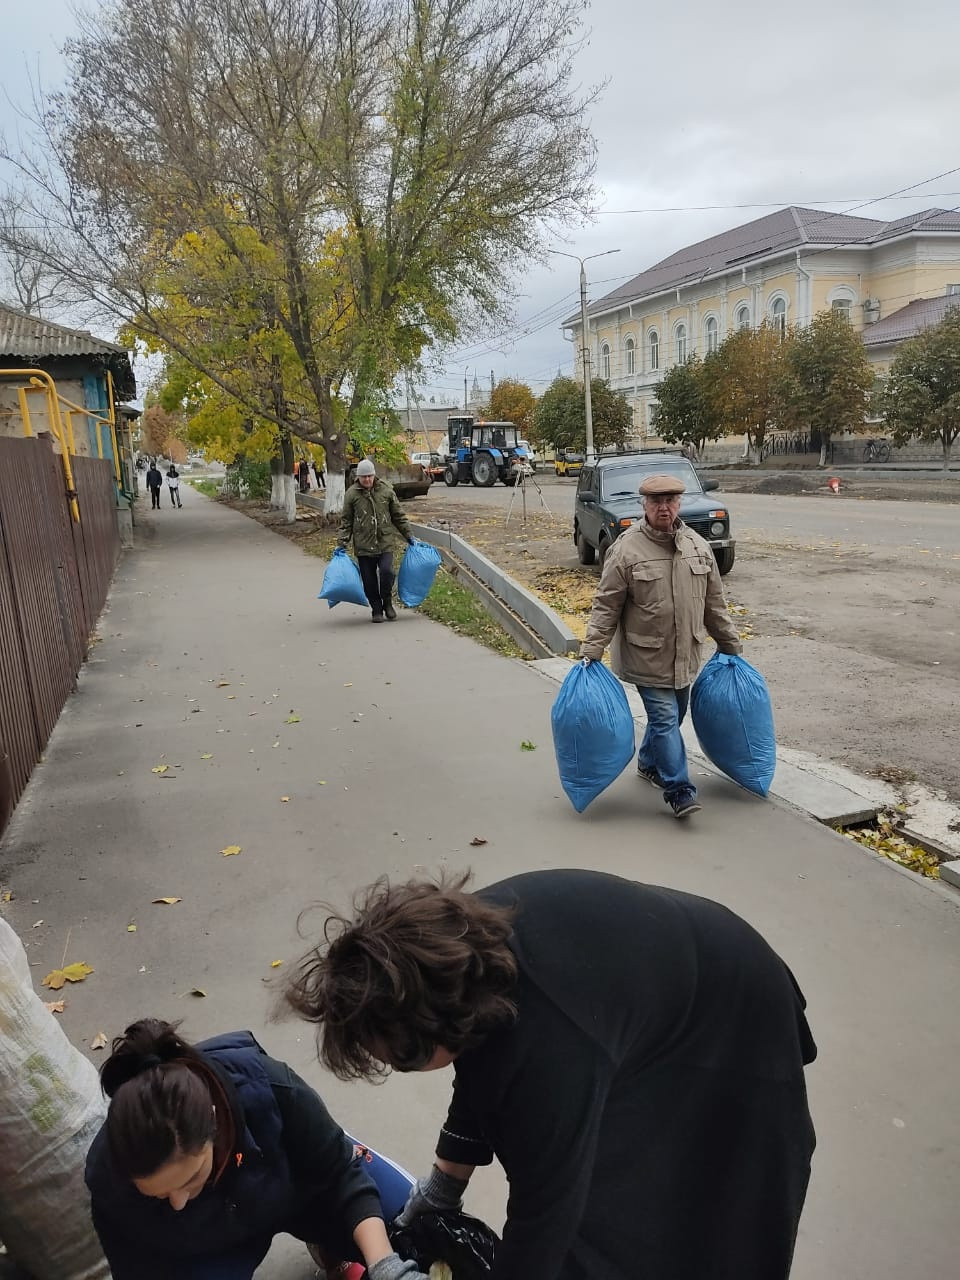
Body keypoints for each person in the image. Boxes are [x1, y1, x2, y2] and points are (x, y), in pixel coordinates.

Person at [285, 869, 817, 1280]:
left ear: (435, 1027)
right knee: (620, 1207)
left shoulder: (548, 1046)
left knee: (721, 1211)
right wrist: (443, 1190)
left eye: (401, 1058)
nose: (396, 1068)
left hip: (737, 1020)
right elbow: (478, 1072)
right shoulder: (447, 959)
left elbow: (545, 1215)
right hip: (638, 1003)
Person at [84, 1018, 430, 1280]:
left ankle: (333, 1246)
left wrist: (386, 1267)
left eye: (191, 1180)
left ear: (214, 1121)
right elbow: (138, 1271)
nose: (178, 1202)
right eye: (158, 1196)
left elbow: (342, 1175)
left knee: (424, 1233)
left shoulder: (272, 1088)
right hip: (211, 1248)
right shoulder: (110, 1182)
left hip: (301, 1189)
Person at [580, 472, 741, 819]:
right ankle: (679, 790)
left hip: (685, 655)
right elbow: (606, 604)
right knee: (666, 718)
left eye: (670, 501)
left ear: (679, 504)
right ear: (645, 505)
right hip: (646, 655)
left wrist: (729, 643)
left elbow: (714, 604)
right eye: (656, 502)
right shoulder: (625, 549)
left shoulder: (697, 547)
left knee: (673, 716)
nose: (663, 508)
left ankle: (649, 763)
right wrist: (592, 650)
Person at [337, 459, 413, 623]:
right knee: (369, 580)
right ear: (358, 477)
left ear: (374, 475)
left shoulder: (386, 490)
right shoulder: (351, 494)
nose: (367, 480)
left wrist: (409, 536)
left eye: (370, 476)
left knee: (387, 572)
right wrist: (342, 544)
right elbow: (346, 522)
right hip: (363, 545)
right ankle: (376, 609)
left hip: (384, 541)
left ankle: (387, 602)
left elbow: (398, 516)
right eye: (363, 477)